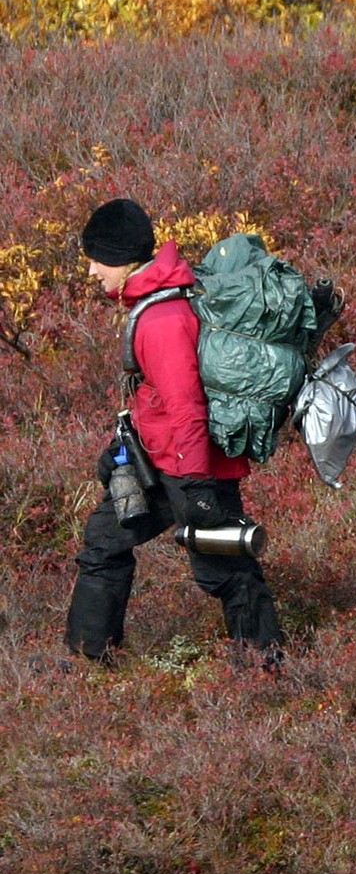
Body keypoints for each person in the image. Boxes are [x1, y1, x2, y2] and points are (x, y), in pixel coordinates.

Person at [66, 198, 283, 666]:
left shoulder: (162, 320)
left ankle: (266, 669)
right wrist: (122, 447)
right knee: (104, 542)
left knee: (225, 570)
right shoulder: (153, 303)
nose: (90, 271)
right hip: (160, 461)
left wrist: (201, 486)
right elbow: (158, 400)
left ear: (123, 259)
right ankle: (87, 663)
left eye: (97, 259)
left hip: (192, 467)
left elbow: (186, 407)